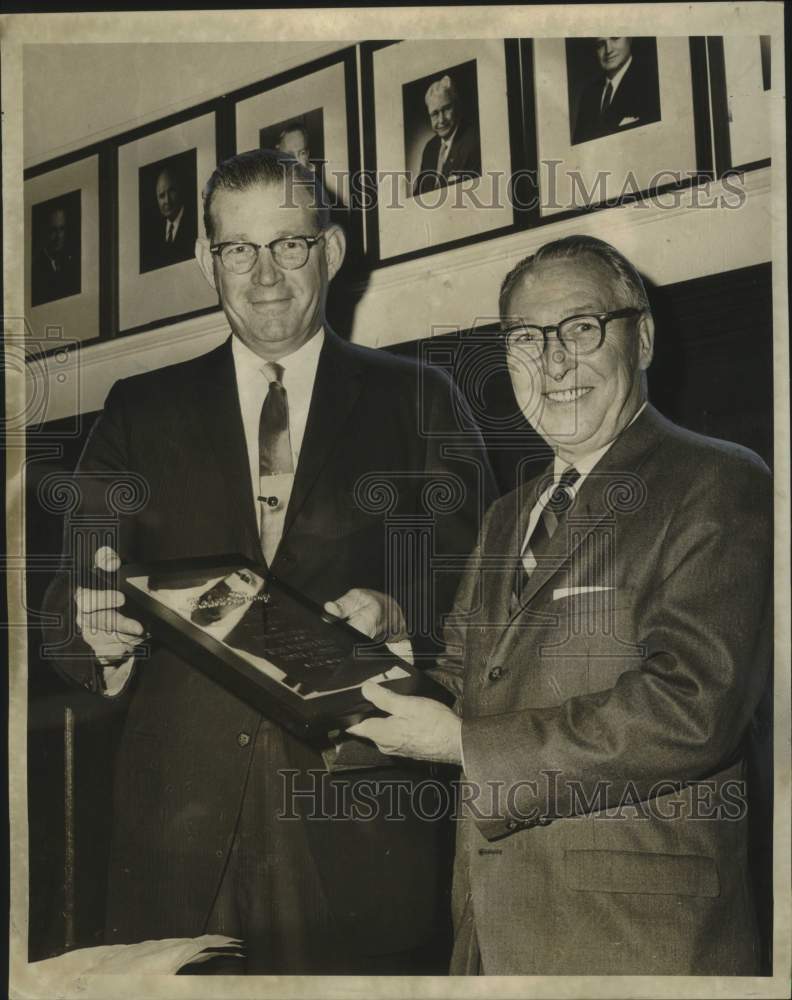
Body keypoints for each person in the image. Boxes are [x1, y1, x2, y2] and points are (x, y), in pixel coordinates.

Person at [43, 148, 495, 973]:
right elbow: (69, 608)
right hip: (177, 829)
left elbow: (478, 588)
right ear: (204, 260)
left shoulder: (421, 400)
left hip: (356, 821)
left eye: (289, 245)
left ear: (330, 252)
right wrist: (98, 641)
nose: (264, 276)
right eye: (238, 248)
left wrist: (400, 613)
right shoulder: (138, 412)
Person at [349, 235, 772, 975]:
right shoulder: (508, 514)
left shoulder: (718, 481)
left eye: (580, 328)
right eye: (525, 339)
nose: (553, 362)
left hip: (639, 946)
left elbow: (692, 707)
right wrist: (385, 650)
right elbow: (463, 683)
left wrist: (465, 748)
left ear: (640, 338)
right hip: (492, 934)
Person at [572, 37, 662, 144]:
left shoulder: (653, 84)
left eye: (615, 38)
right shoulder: (589, 93)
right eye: (600, 44)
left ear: (630, 39)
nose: (608, 50)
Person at [412, 75, 481, 196]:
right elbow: (418, 196)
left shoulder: (474, 141)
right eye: (435, 113)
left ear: (456, 106)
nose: (441, 120)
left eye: (446, 109)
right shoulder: (430, 148)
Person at [142, 165, 196, 270]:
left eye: (171, 191)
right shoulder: (153, 234)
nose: (167, 201)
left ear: (180, 189)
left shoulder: (194, 223)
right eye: (162, 196)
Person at [31, 203, 80, 305]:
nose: (58, 237)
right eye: (53, 230)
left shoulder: (72, 261)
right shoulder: (35, 269)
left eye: (62, 229)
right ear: (44, 231)